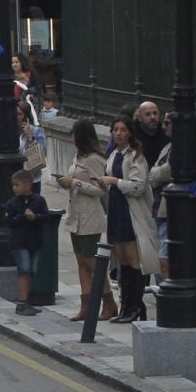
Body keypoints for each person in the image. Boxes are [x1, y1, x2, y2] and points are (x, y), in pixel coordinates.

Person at [97, 113, 157, 323]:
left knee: (133, 261)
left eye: (123, 130)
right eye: (115, 130)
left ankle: (135, 307)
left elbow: (139, 187)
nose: (118, 134)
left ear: (130, 132)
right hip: (115, 209)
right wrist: (106, 184)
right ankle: (125, 306)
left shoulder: (136, 157)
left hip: (131, 212)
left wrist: (115, 181)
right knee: (121, 260)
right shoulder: (113, 154)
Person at [55, 118, 116, 322]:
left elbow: (100, 189)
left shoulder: (94, 159)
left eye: (74, 134)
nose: (71, 138)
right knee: (81, 261)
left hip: (90, 216)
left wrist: (76, 183)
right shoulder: (78, 157)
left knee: (93, 263)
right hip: (75, 216)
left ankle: (109, 302)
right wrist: (67, 182)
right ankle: (86, 305)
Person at [2, 167, 48, 314]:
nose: (14, 188)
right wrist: (23, 216)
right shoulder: (12, 203)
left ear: (28, 184)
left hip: (34, 241)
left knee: (31, 271)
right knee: (24, 270)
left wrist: (35, 217)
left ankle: (26, 300)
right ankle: (22, 302)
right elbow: (9, 221)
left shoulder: (39, 200)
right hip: (20, 242)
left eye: (18, 185)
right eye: (13, 185)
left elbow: (46, 217)